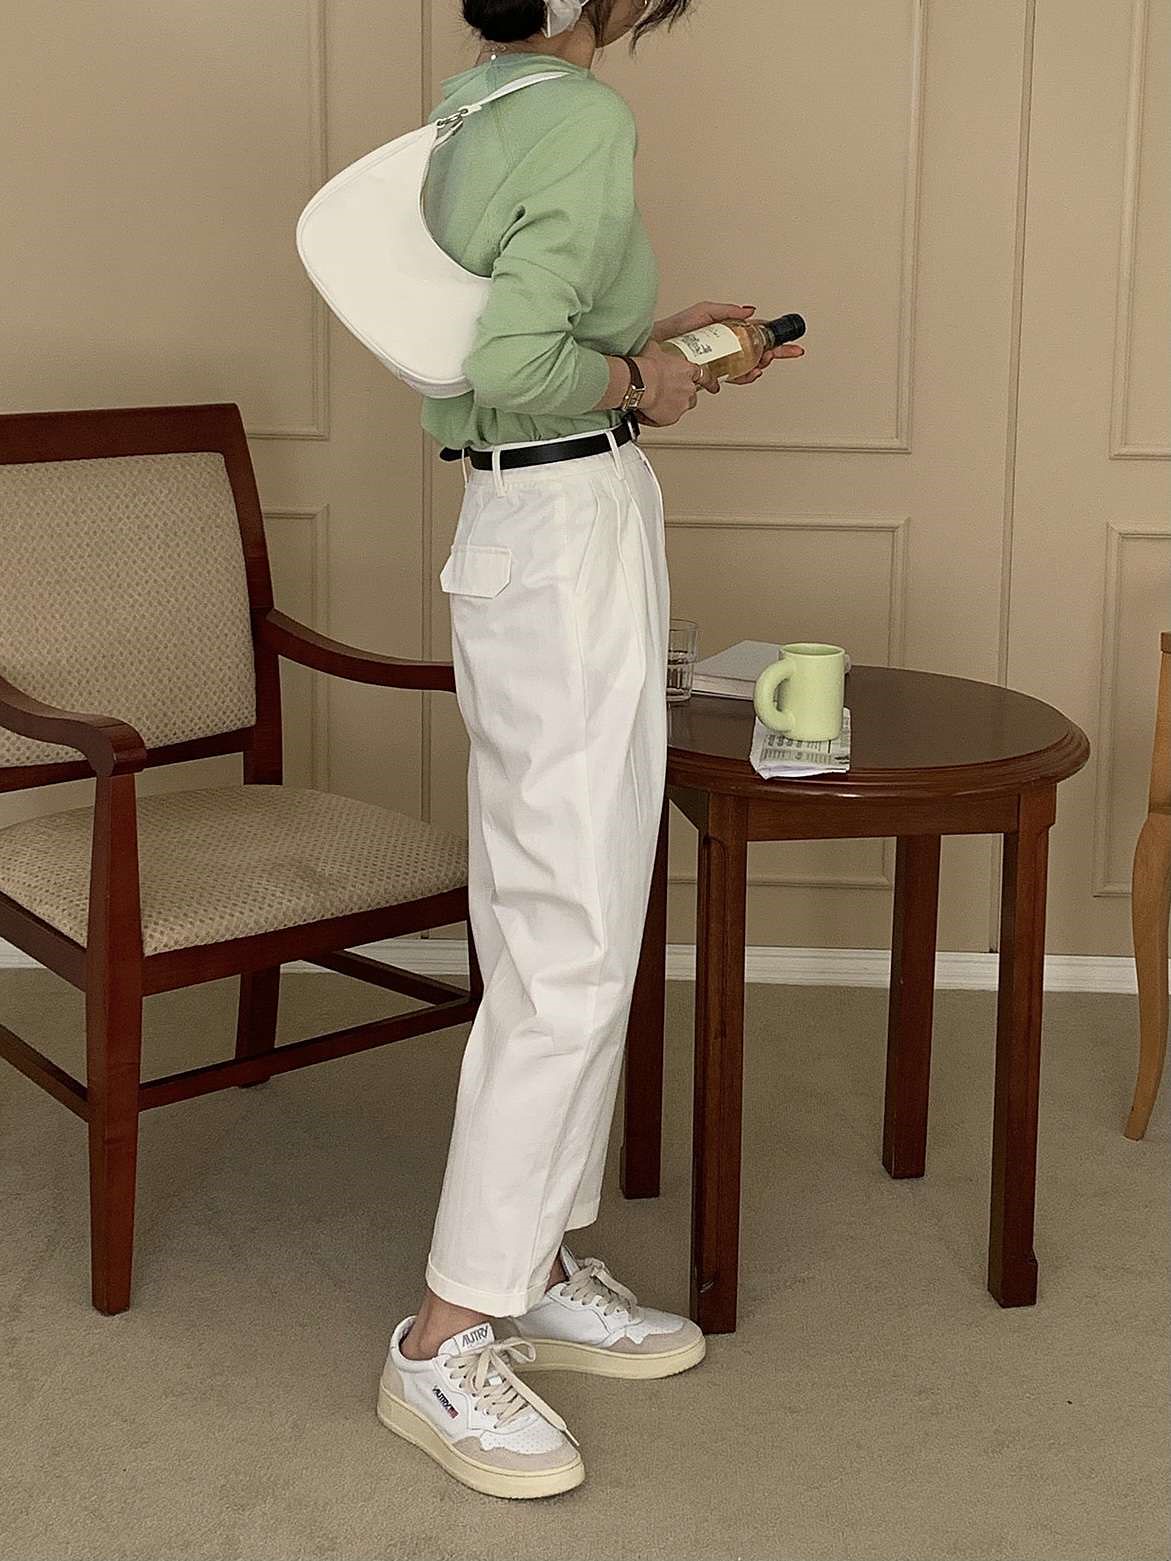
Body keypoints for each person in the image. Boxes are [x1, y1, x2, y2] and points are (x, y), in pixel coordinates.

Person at [377, 0, 804, 1500]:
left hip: (520, 522)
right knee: (570, 935)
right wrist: (642, 381)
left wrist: (645, 344)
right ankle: (446, 1335)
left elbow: (492, 339)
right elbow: (515, 356)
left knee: (548, 917)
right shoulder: (580, 114)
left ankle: (535, 1263)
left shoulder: (472, 108)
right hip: (564, 528)